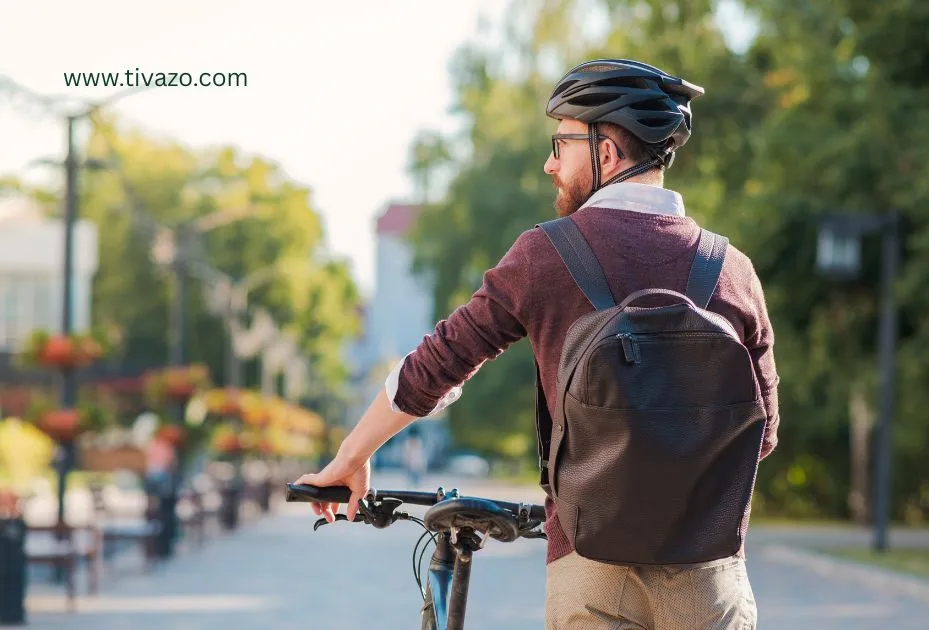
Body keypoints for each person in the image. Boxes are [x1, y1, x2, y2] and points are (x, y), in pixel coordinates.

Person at [295, 58, 779, 629]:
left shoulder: (547, 255)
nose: (550, 163)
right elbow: (763, 433)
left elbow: (436, 366)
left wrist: (351, 458)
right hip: (710, 581)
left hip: (591, 572)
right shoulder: (732, 269)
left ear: (605, 153)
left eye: (561, 143)